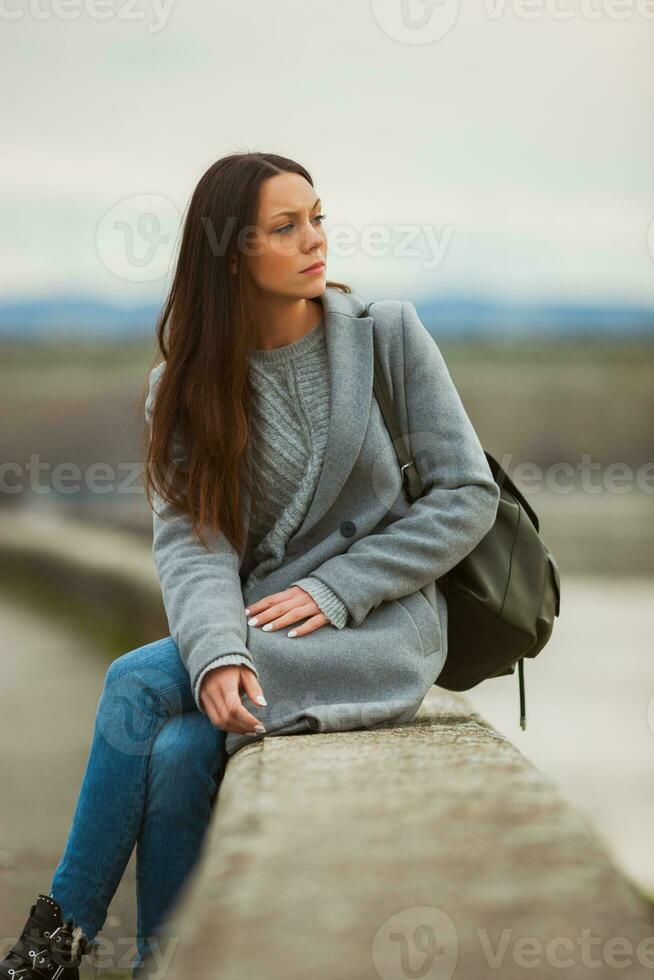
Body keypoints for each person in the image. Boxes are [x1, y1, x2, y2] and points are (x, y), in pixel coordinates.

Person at [1, 151, 500, 980]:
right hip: (256, 631)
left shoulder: (387, 336)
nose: (315, 240)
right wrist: (218, 651)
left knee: (133, 683)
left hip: (376, 627)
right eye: (285, 225)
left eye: (317, 217)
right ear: (231, 253)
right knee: (175, 756)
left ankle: (53, 942)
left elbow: (465, 495)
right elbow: (194, 546)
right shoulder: (186, 385)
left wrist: (337, 585)